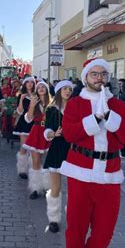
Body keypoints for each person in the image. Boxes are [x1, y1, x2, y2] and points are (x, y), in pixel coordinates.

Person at [60, 58, 125, 248]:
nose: (99, 77)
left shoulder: (119, 105)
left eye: (103, 73)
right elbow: (69, 134)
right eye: (94, 74)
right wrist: (93, 120)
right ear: (86, 77)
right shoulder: (75, 104)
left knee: (105, 229)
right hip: (80, 173)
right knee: (76, 226)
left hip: (110, 175)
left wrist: (112, 119)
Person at [43, 80, 73, 233]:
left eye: (70, 89)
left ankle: (73, 219)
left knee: (73, 189)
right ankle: (53, 219)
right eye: (65, 89)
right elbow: (47, 128)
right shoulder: (52, 109)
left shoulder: (75, 108)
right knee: (56, 187)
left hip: (74, 150)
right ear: (59, 91)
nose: (68, 91)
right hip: (57, 148)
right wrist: (53, 134)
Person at [23, 80, 51, 199]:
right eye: (38, 87)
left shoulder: (53, 103)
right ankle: (35, 188)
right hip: (36, 131)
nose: (40, 88)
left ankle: (47, 187)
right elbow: (28, 119)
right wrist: (32, 106)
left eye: (43, 87)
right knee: (36, 161)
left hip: (49, 133)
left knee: (49, 162)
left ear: (47, 90)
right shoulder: (34, 103)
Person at [14, 76, 36, 179]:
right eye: (28, 82)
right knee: (23, 146)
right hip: (24, 123)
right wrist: (21, 100)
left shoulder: (37, 96)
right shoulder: (21, 96)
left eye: (32, 82)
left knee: (34, 147)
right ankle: (22, 169)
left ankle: (33, 168)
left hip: (34, 123)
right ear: (25, 84)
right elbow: (19, 111)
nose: (30, 84)